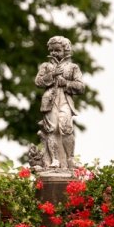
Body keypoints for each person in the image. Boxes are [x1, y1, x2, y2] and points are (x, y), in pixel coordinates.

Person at [35, 36, 84, 169]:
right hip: (49, 102)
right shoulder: (46, 66)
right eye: (52, 50)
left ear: (66, 50)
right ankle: (55, 160)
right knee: (51, 129)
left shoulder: (73, 67)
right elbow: (38, 82)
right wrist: (52, 75)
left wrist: (66, 83)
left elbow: (81, 87)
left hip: (65, 101)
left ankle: (70, 159)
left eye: (57, 50)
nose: (54, 53)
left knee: (66, 127)